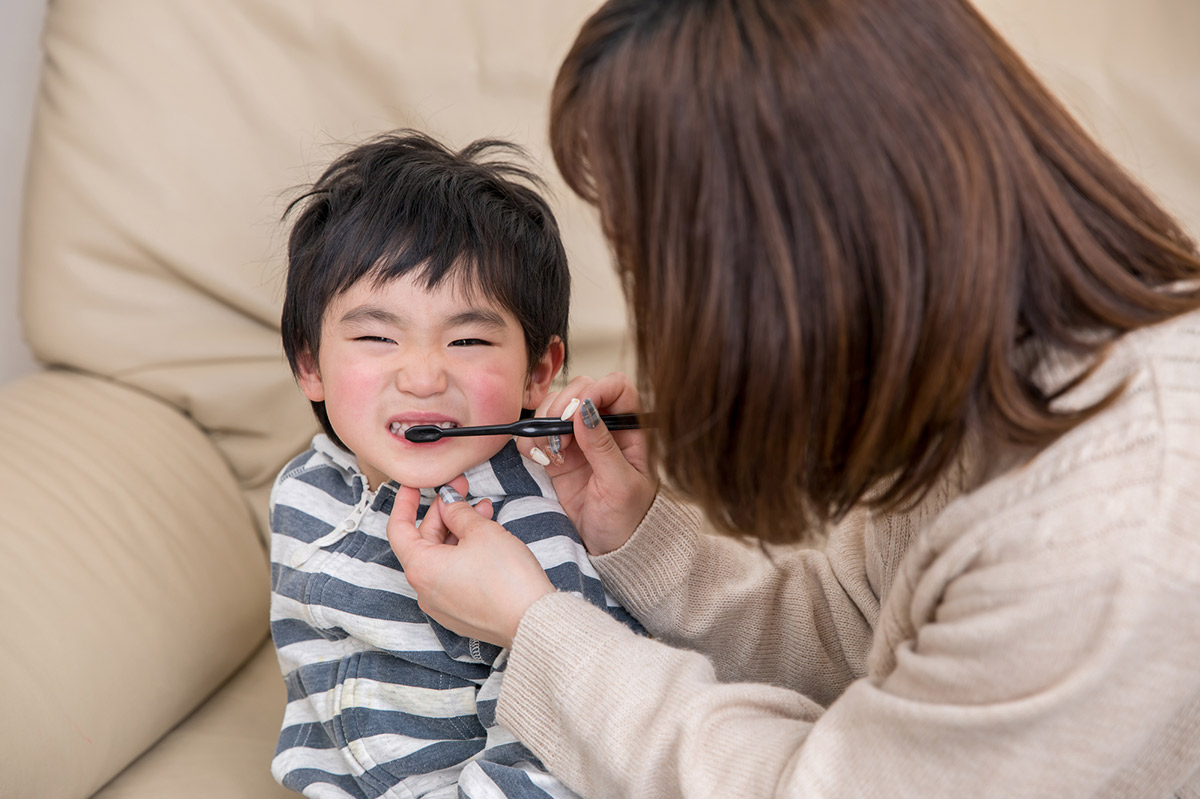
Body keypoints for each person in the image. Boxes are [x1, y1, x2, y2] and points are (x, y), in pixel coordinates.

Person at [387, 0, 1200, 796]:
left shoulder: (1110, 526)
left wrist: (540, 627)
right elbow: (860, 631)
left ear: (784, 257)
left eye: (657, 260)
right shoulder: (975, 374)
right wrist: (639, 535)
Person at [268, 130, 640, 799]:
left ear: (539, 373)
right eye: (377, 336)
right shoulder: (303, 491)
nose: (422, 376)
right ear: (309, 364)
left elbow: (560, 752)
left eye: (467, 340)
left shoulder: (527, 530)